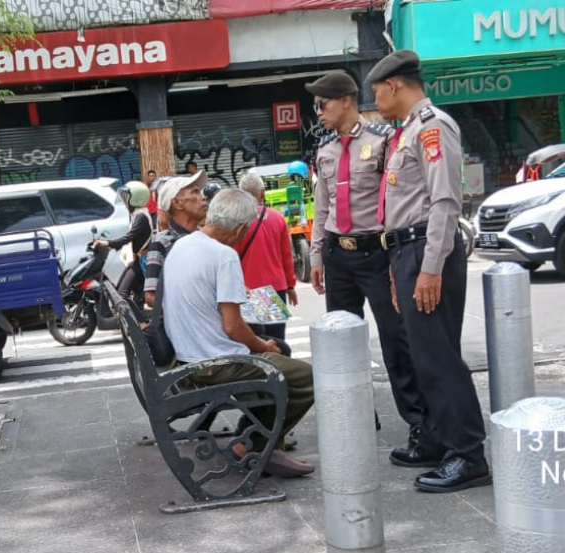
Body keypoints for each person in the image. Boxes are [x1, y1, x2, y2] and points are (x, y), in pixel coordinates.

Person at [367, 50, 490, 493]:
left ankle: (468, 455)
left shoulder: (433, 127)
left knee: (438, 357)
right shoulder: (407, 132)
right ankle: (439, 439)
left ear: (394, 85)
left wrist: (430, 269)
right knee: (423, 355)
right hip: (408, 251)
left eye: (377, 91)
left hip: (426, 250)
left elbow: (445, 202)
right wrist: (398, 268)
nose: (375, 100)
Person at [162, 188, 315, 477]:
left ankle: (259, 438)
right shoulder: (224, 255)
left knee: (280, 353)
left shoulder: (183, 244)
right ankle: (257, 446)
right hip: (214, 364)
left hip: (189, 356)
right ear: (241, 229)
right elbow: (232, 326)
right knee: (306, 376)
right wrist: (261, 347)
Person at [306, 70, 426, 438]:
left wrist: (396, 256)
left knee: (396, 338)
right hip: (337, 255)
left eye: (322, 104)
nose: (318, 112)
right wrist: (315, 256)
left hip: (377, 253)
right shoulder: (325, 149)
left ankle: (419, 421)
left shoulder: (383, 141)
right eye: (315, 106)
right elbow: (322, 207)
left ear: (345, 100)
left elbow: (396, 199)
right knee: (343, 339)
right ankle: (356, 417)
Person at [235, 170, 297, 340]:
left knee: (255, 342)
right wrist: (291, 286)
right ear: (262, 193)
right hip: (275, 287)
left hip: (248, 289)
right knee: (276, 341)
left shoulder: (236, 221)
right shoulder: (278, 218)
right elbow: (287, 256)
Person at [143, 171, 208, 308]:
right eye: (195, 192)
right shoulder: (162, 242)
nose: (203, 197)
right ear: (177, 203)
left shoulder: (205, 239)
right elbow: (151, 297)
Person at [93, 181, 152, 304]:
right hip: (137, 258)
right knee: (125, 290)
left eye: (126, 197)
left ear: (135, 199)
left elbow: (129, 237)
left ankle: (137, 317)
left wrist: (108, 243)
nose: (125, 201)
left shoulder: (141, 216)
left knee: (122, 295)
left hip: (142, 260)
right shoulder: (137, 214)